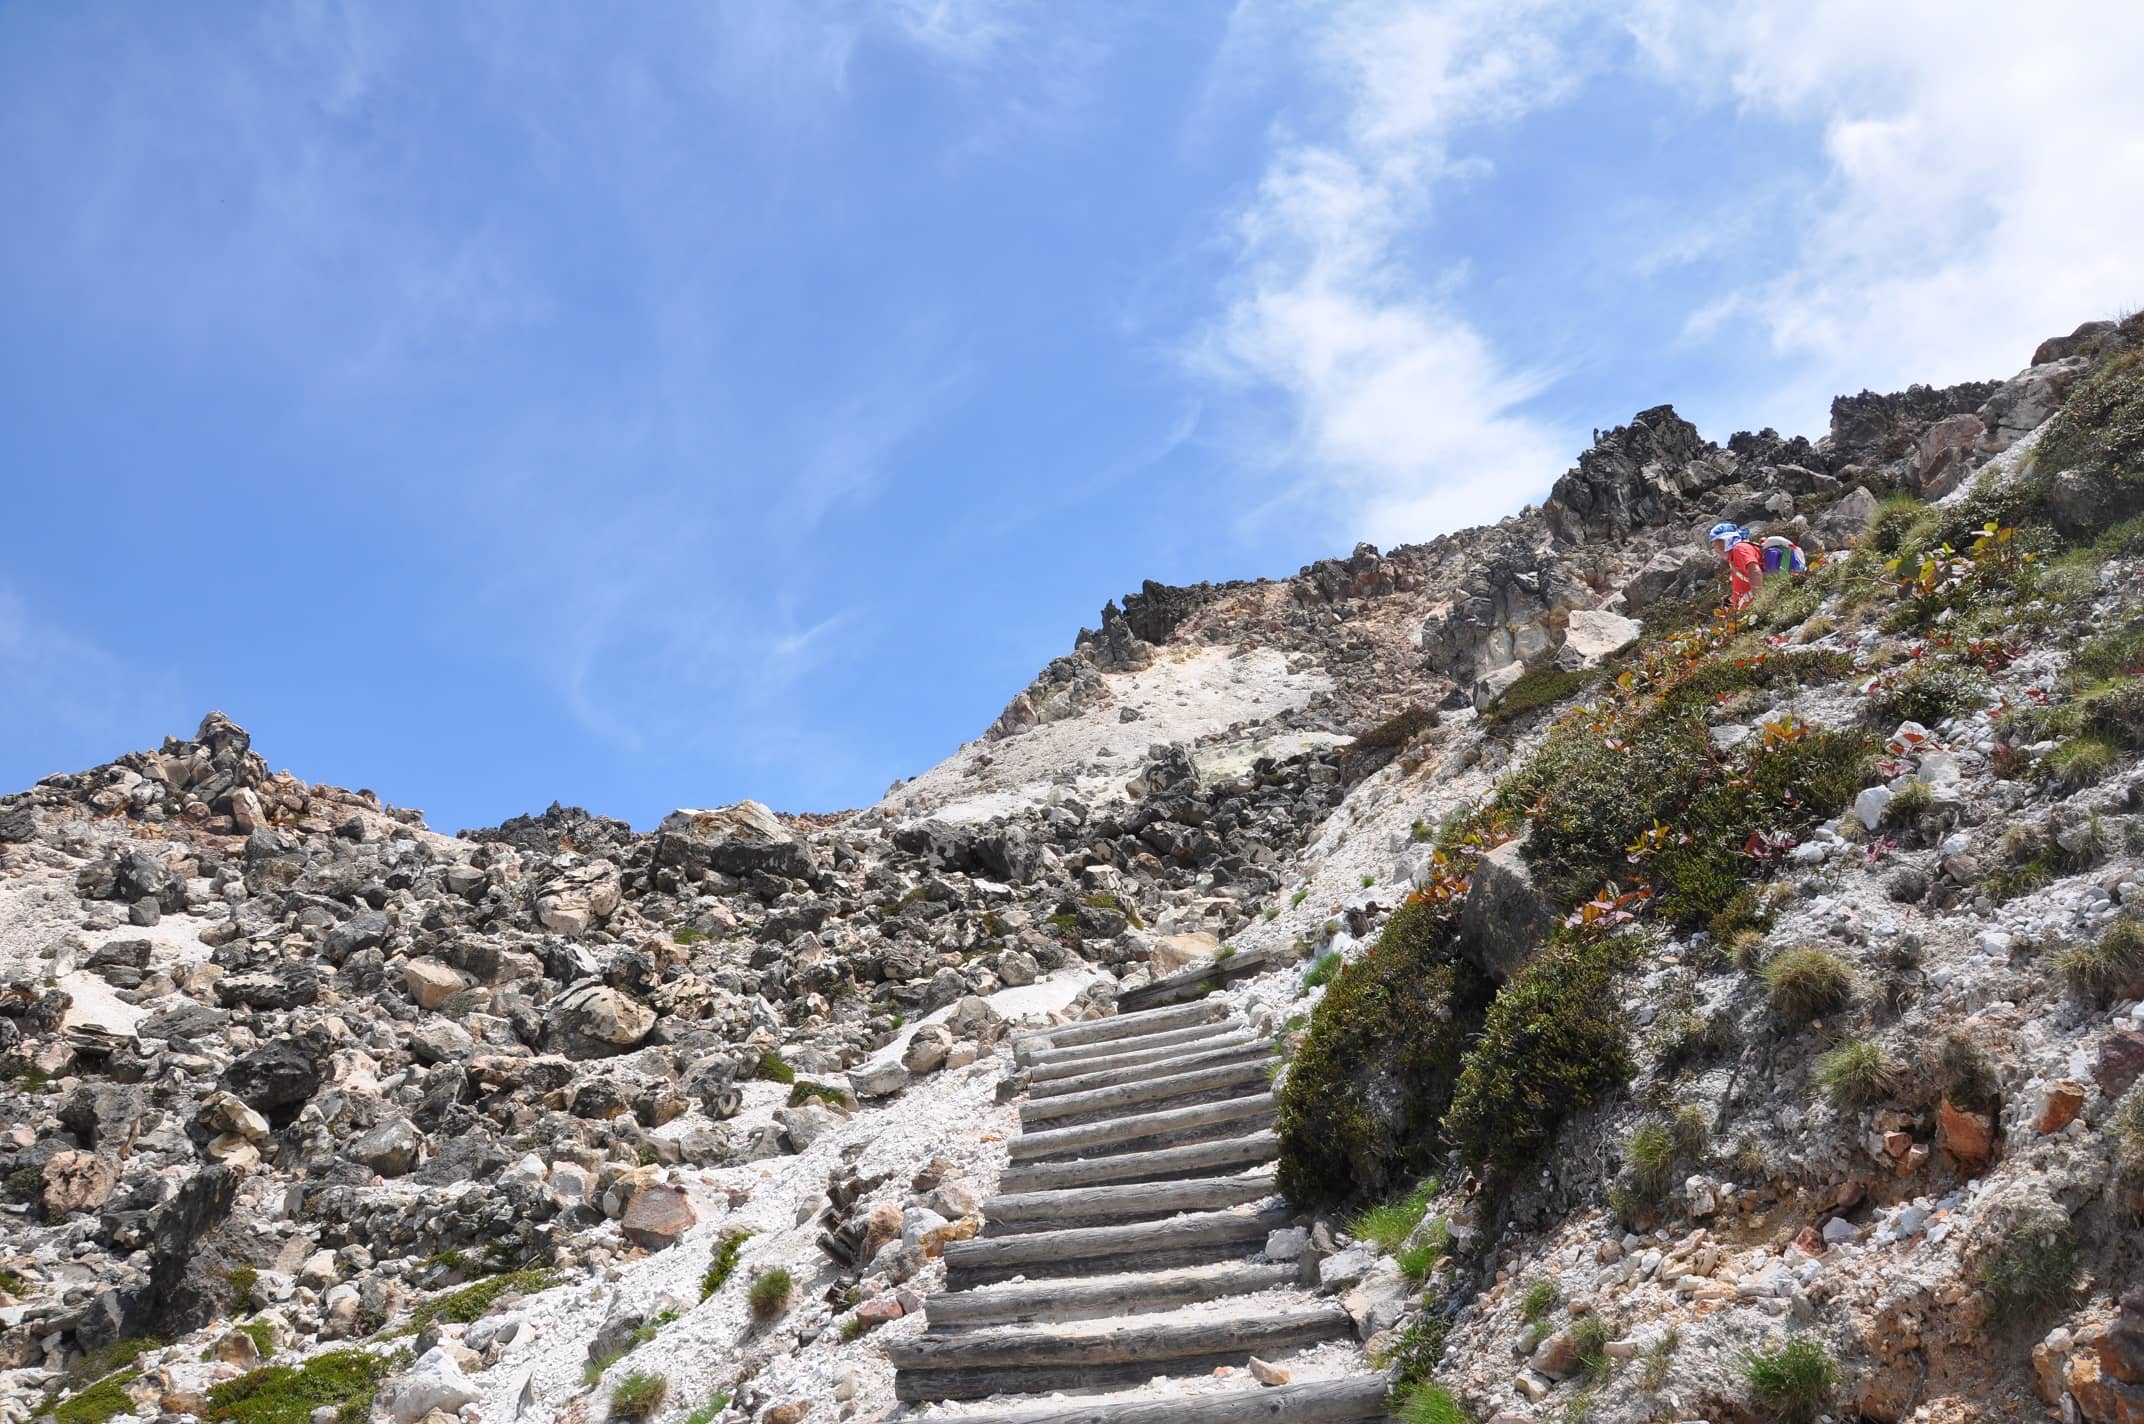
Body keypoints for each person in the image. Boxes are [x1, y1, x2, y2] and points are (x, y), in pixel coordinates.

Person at [1708, 520, 1765, 607]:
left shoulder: (1739, 549)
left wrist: (1760, 600)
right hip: (1746, 609)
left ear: (1726, 540)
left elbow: (1754, 570)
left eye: (1716, 544)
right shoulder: (1734, 556)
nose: (1716, 551)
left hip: (1755, 606)